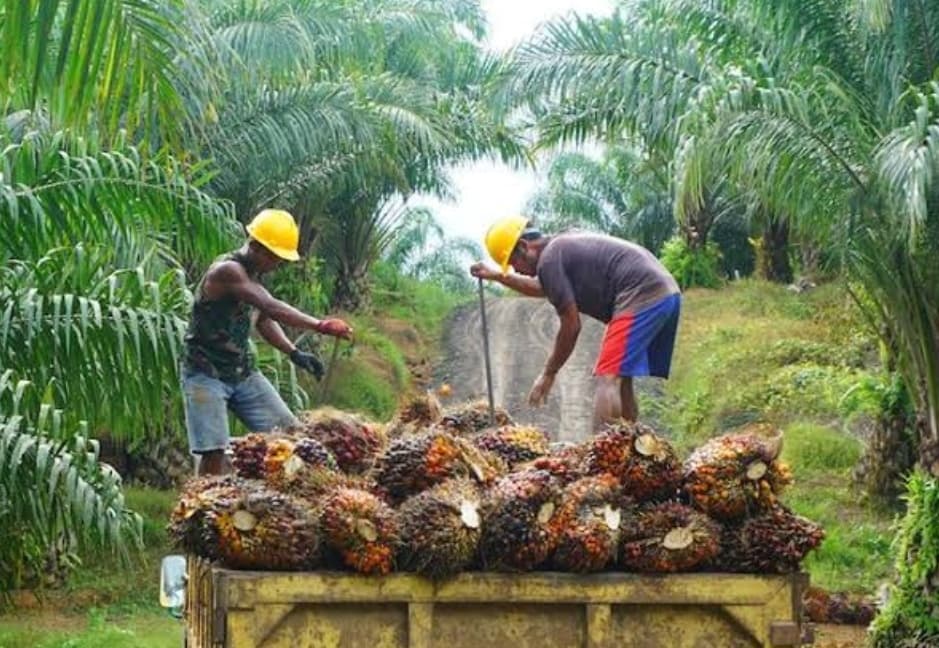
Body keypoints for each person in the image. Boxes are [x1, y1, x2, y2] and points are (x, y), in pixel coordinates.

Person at [182, 208, 353, 475]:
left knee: (290, 435)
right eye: (276, 258)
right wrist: (319, 325)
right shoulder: (228, 271)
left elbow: (263, 320)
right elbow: (270, 307)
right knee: (213, 452)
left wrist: (294, 353)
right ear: (256, 247)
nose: (279, 265)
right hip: (205, 375)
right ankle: (203, 507)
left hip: (242, 373)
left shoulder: (252, 275)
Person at [470, 215, 680, 430]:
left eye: (514, 263)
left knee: (608, 377)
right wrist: (497, 276)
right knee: (621, 377)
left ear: (524, 247)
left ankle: (603, 457)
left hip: (642, 295)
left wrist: (549, 373)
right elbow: (543, 287)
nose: (516, 270)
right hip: (665, 293)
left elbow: (571, 325)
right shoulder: (558, 250)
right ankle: (630, 450)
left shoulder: (550, 259)